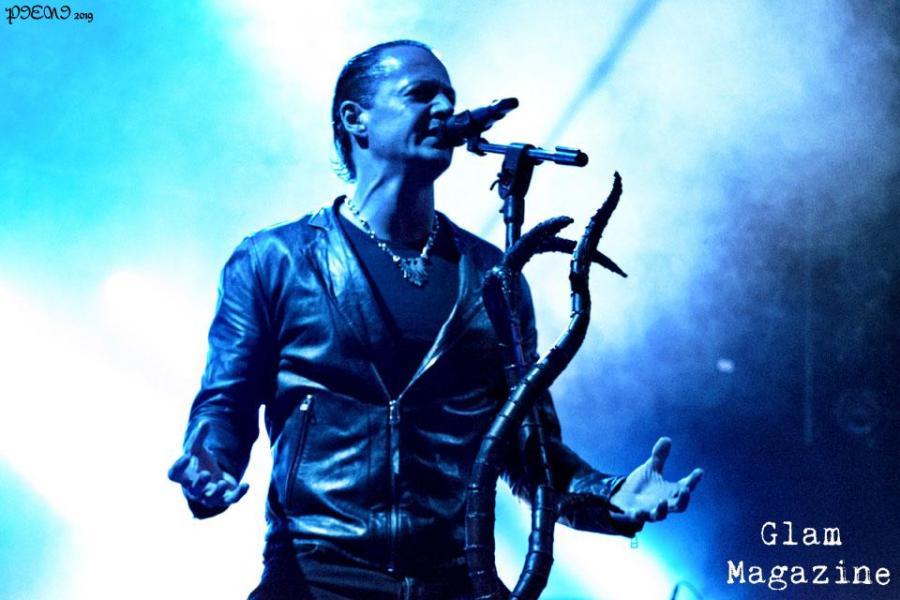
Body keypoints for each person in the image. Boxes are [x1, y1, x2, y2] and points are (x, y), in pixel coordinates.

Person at [168, 40, 703, 600]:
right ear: (355, 118)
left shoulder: (494, 278)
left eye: (450, 96)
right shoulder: (273, 260)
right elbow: (225, 404)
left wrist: (610, 495)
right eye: (421, 94)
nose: (445, 108)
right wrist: (210, 464)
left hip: (456, 584)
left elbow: (531, 452)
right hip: (316, 580)